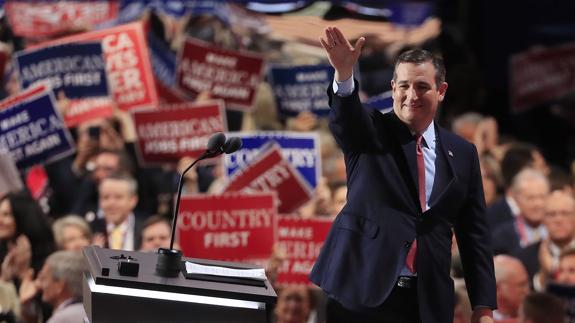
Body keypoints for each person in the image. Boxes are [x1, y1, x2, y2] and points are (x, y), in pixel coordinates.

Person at [309, 26, 496, 323]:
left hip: (425, 302)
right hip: (360, 291)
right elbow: (346, 119)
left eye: (422, 86)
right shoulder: (371, 130)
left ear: (441, 91)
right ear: (393, 87)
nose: (411, 95)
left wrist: (483, 305)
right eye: (404, 86)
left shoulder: (463, 153)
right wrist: (344, 74)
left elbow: (474, 235)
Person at [20, 251, 88, 323]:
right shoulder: (89, 312)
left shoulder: (62, 318)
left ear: (59, 285)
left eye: (43, 278)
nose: (38, 285)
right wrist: (27, 305)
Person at [493, 255, 530, 321]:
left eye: (527, 284)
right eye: (521, 285)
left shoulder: (537, 318)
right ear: (497, 288)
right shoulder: (476, 318)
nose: (527, 291)